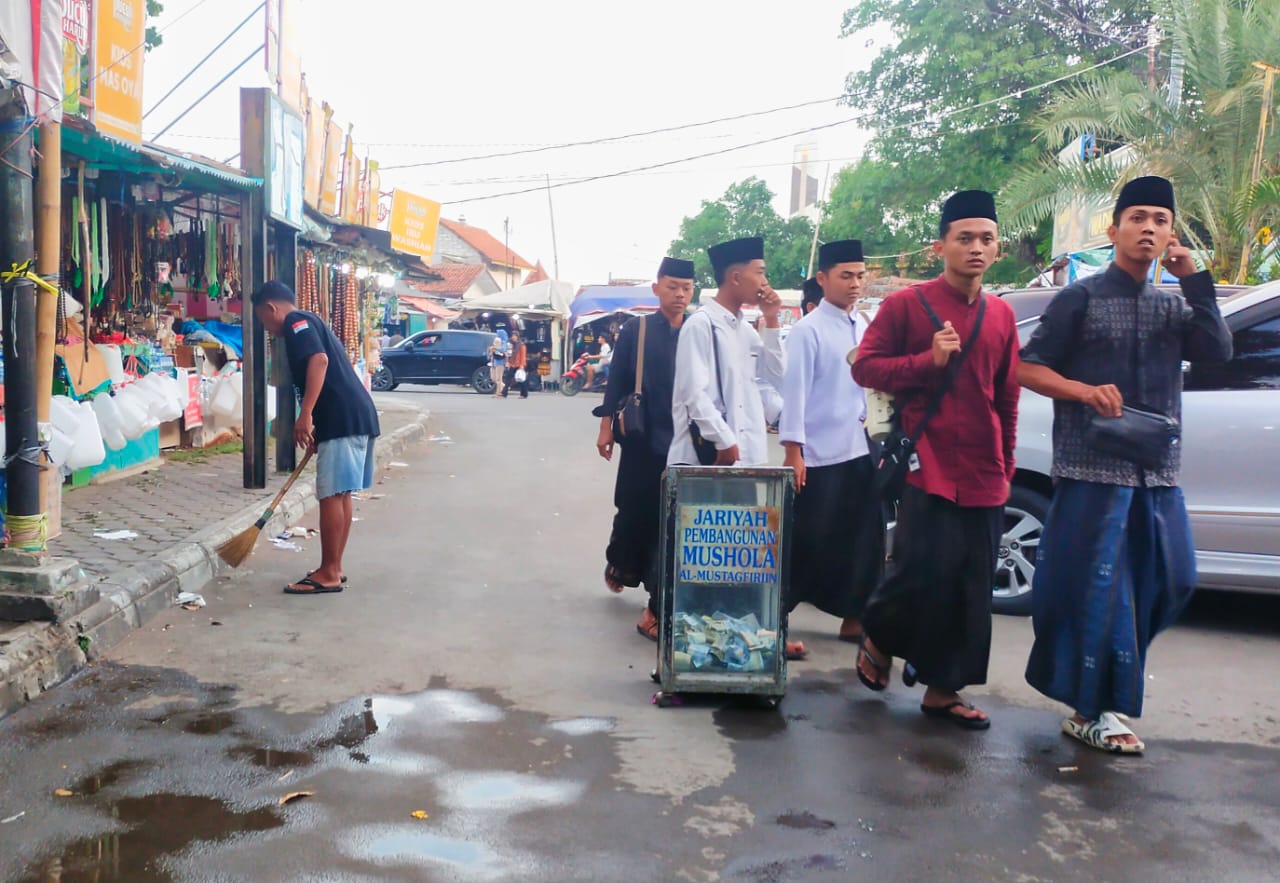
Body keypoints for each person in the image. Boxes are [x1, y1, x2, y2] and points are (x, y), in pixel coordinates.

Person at [1018, 175, 1232, 754]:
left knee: (1175, 577)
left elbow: (1217, 352)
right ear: (1114, 230)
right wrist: (1084, 391)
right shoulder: (1079, 299)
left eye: (1160, 220)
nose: (1149, 228)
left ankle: (1103, 691)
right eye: (1137, 217)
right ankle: (1094, 709)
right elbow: (1026, 368)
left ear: (1170, 235)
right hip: (1092, 469)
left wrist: (1197, 282)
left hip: (1158, 472)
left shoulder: (1173, 306)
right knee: (1100, 594)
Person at [850, 190, 1021, 729]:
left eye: (986, 239)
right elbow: (866, 368)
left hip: (984, 467)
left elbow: (1007, 396)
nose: (975, 247)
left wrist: (1008, 460)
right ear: (941, 245)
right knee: (922, 570)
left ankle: (943, 690)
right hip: (927, 462)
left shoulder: (1002, 315)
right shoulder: (906, 306)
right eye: (964, 237)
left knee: (972, 584)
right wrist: (928, 361)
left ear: (998, 249)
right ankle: (879, 633)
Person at [669, 236, 804, 659]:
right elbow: (695, 394)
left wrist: (772, 321)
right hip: (710, 464)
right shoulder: (700, 326)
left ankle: (753, 641)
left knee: (745, 560)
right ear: (735, 276)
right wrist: (725, 444)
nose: (765, 280)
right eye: (760, 271)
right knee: (705, 561)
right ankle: (699, 647)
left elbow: (775, 379)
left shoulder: (743, 328)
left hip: (747, 463)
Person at [780, 239, 884, 644]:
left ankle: (856, 617)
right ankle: (774, 616)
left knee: (866, 538)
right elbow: (796, 393)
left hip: (862, 446)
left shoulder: (865, 325)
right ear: (822, 279)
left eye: (860, 276)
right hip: (820, 452)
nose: (855, 284)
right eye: (845, 276)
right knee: (810, 537)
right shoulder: (808, 330)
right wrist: (794, 451)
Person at [251, 280, 381, 595]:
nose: (268, 329)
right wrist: (317, 422)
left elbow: (319, 361)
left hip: (343, 417)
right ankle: (332, 566)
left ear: (271, 308)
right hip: (352, 415)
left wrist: (306, 414)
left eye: (264, 320)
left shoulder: (296, 322)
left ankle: (330, 573)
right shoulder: (311, 320)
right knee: (340, 493)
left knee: (331, 494)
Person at [594, 257, 693, 640]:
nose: (679, 294)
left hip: (684, 438)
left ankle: (657, 594)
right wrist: (605, 428)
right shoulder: (637, 329)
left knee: (669, 519)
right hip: (641, 435)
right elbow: (616, 381)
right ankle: (619, 563)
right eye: (672, 286)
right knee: (634, 507)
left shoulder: (698, 329)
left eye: (686, 287)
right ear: (656, 288)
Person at [504, 331, 529, 399]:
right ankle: (504, 392)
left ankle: (524, 394)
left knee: (521, 380)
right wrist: (508, 362)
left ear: (517, 337)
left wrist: (522, 365)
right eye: (512, 336)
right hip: (512, 364)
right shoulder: (510, 344)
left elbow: (523, 356)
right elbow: (509, 354)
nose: (513, 337)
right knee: (508, 379)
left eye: (515, 336)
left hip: (519, 364)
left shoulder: (521, 345)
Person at [489, 326, 509, 397]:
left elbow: (502, 350)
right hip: (494, 361)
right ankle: (503, 387)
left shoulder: (503, 342)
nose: (496, 335)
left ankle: (498, 392)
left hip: (500, 361)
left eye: (497, 333)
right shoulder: (497, 341)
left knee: (498, 378)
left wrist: (494, 348)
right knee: (493, 378)